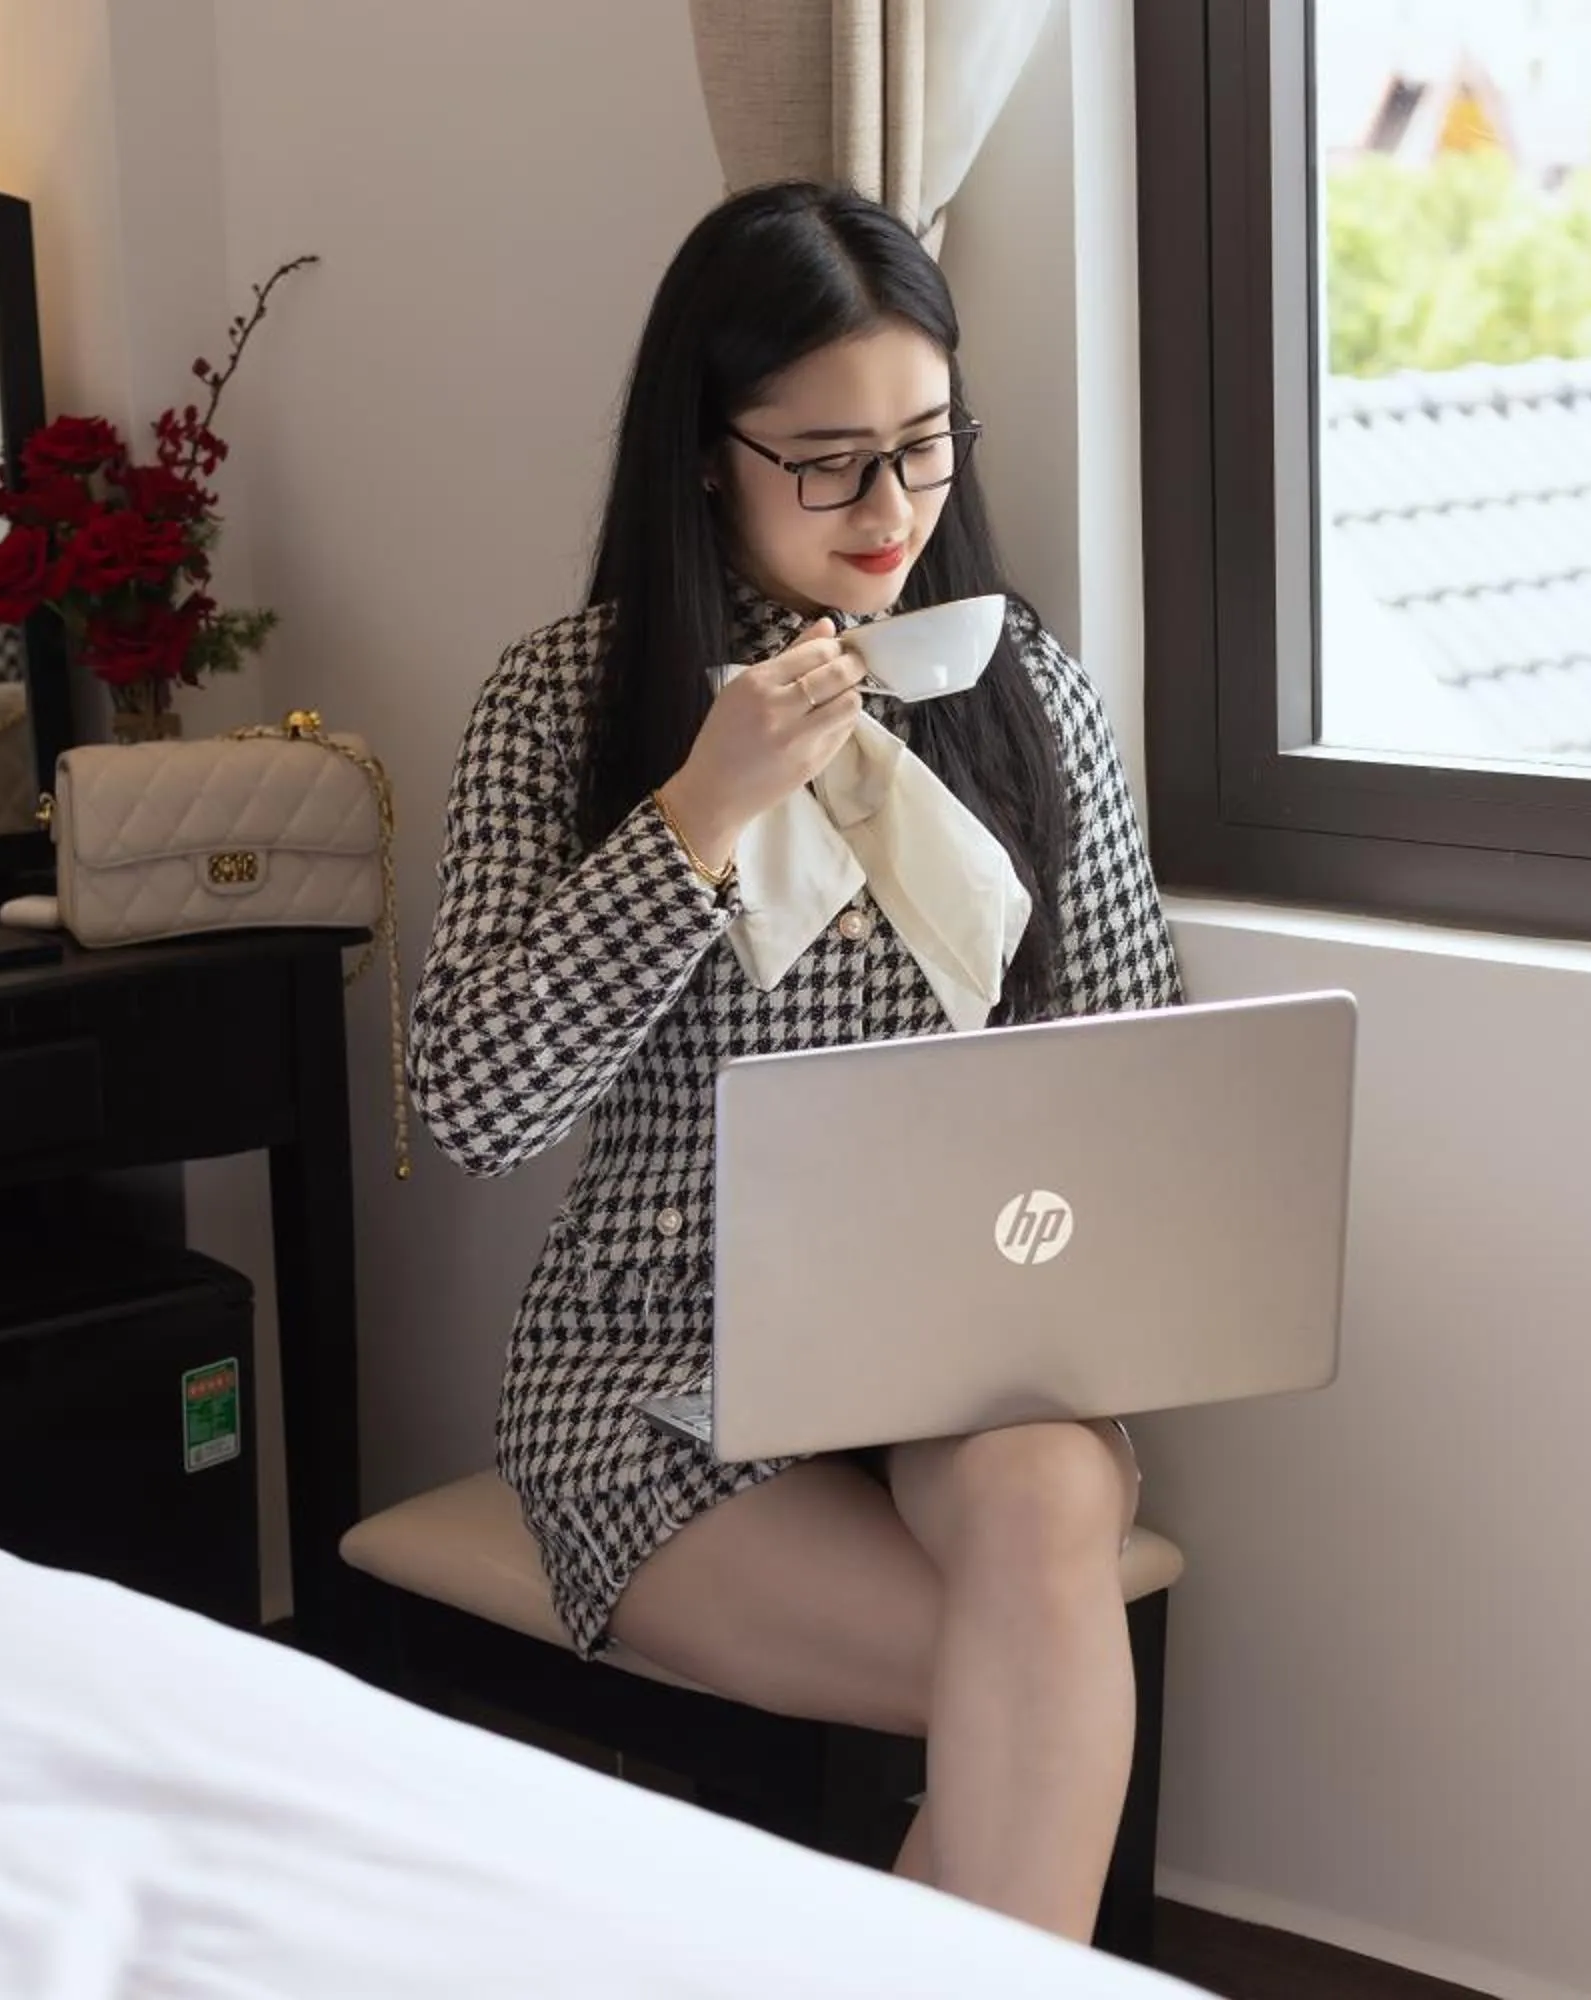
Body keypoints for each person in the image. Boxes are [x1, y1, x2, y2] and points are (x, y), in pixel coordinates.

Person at [404, 180, 1185, 1942]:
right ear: (705, 451)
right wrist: (698, 811)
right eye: (830, 461)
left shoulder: (1025, 690)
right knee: (1041, 1709)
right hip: (661, 1368)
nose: (894, 508)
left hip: (959, 1355)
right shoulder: (568, 702)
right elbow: (469, 1104)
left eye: (926, 448)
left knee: (1054, 1495)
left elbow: (1140, 1066)